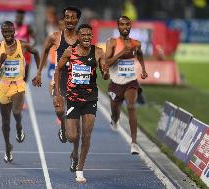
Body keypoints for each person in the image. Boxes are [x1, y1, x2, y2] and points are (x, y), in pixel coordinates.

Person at [54, 24, 109, 183]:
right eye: (83, 35)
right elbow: (58, 70)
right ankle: (71, 145)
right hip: (72, 98)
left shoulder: (98, 51)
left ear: (92, 36)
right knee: (72, 136)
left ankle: (80, 168)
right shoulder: (70, 52)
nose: (86, 37)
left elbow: (105, 74)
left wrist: (106, 72)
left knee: (86, 135)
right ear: (78, 36)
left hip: (90, 99)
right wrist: (57, 93)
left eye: (89, 35)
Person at [32, 7, 81, 146]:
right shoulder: (54, 37)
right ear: (64, 20)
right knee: (59, 109)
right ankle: (63, 124)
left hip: (76, 79)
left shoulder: (81, 37)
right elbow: (45, 51)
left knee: (75, 117)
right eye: (67, 17)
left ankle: (74, 144)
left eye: (73, 18)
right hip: (59, 77)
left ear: (77, 20)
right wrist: (39, 72)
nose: (69, 20)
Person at [0, 21, 40, 163]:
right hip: (4, 86)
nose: (7, 34)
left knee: (17, 112)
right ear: (2, 33)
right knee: (5, 122)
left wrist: (38, 73)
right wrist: (0, 62)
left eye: (9, 31)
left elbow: (36, 52)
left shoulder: (23, 45)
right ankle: (8, 148)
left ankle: (19, 127)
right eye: (4, 32)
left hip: (19, 84)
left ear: (14, 31)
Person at [105, 16, 148, 154]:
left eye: (127, 24)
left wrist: (143, 69)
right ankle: (114, 119)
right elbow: (107, 62)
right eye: (122, 24)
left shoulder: (136, 43)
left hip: (131, 81)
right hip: (116, 83)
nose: (125, 27)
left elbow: (140, 54)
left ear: (130, 26)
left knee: (131, 106)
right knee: (115, 111)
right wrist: (122, 52)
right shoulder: (112, 42)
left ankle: (134, 143)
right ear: (118, 27)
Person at [15, 9, 36, 82]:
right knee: (15, 78)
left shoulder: (27, 27)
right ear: (16, 17)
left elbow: (34, 39)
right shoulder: (12, 27)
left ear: (23, 18)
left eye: (20, 17)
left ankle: (23, 90)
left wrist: (30, 48)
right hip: (14, 55)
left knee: (25, 78)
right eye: (18, 17)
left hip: (26, 55)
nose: (19, 19)